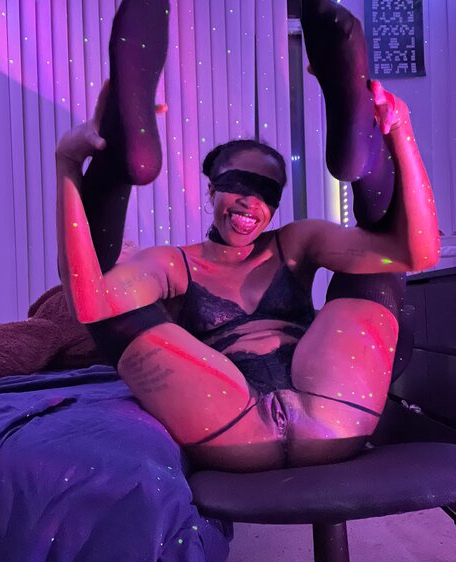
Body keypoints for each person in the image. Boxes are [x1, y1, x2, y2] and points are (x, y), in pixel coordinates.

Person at [56, 0, 440, 473]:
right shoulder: (175, 263)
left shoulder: (294, 243)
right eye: (238, 185)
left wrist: (400, 131)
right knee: (105, 300)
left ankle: (359, 143)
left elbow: (416, 253)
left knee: (380, 263)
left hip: (328, 405)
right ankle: (122, 159)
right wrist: (68, 163)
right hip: (233, 419)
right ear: (212, 190)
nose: (250, 204)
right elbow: (89, 302)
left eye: (266, 193)